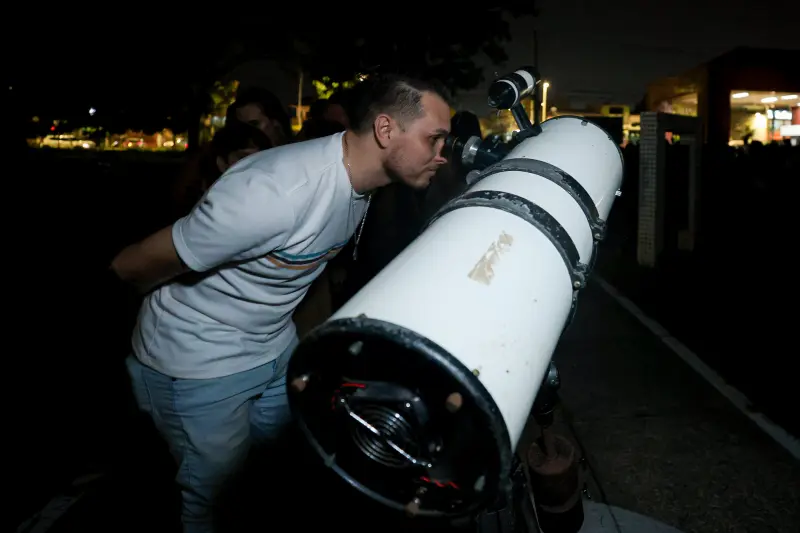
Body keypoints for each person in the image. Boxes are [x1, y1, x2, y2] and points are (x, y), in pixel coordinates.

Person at [110, 74, 451, 533]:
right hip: (198, 361)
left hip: (274, 349)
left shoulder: (363, 182)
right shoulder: (273, 193)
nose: (442, 154)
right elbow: (132, 265)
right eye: (434, 139)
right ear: (386, 130)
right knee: (209, 495)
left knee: (271, 468)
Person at [173, 122, 272, 217]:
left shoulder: (269, 199)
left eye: (261, 158)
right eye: (244, 158)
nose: (254, 165)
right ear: (221, 163)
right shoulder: (206, 209)